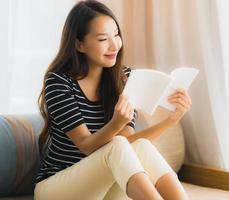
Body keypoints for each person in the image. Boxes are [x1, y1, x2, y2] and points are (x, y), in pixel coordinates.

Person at [34, 0, 192, 199]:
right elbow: (86, 145)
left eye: (116, 35)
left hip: (103, 185)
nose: (113, 45)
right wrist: (116, 123)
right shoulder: (58, 82)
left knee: (140, 146)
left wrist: (171, 120)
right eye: (102, 39)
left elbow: (129, 142)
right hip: (57, 188)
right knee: (116, 145)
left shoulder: (124, 79)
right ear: (79, 44)